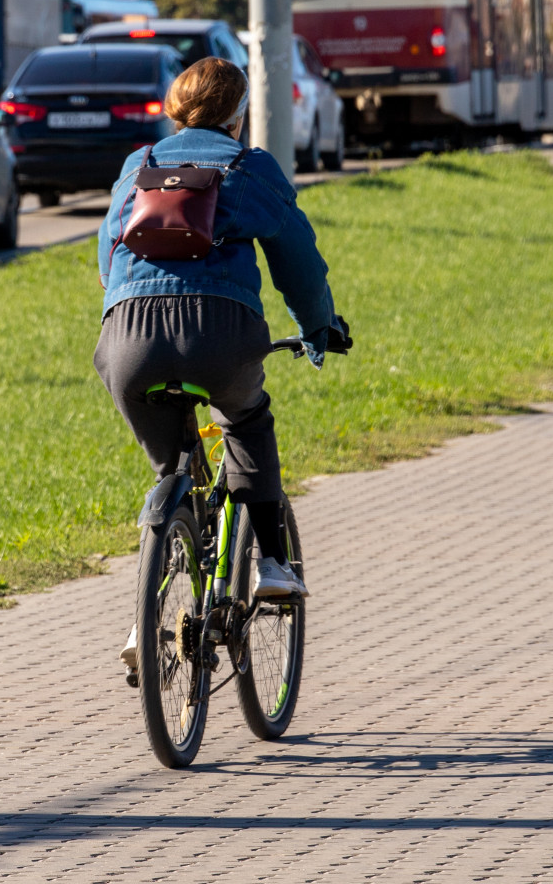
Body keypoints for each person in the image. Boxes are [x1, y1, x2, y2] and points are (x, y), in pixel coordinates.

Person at [95, 58, 342, 666]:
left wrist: (127, 310)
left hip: (128, 338)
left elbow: (109, 251)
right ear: (239, 115)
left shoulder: (139, 164)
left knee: (170, 466)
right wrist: (319, 328)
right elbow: (297, 260)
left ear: (173, 110)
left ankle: (144, 617)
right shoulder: (248, 166)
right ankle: (274, 565)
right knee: (246, 420)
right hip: (221, 331)